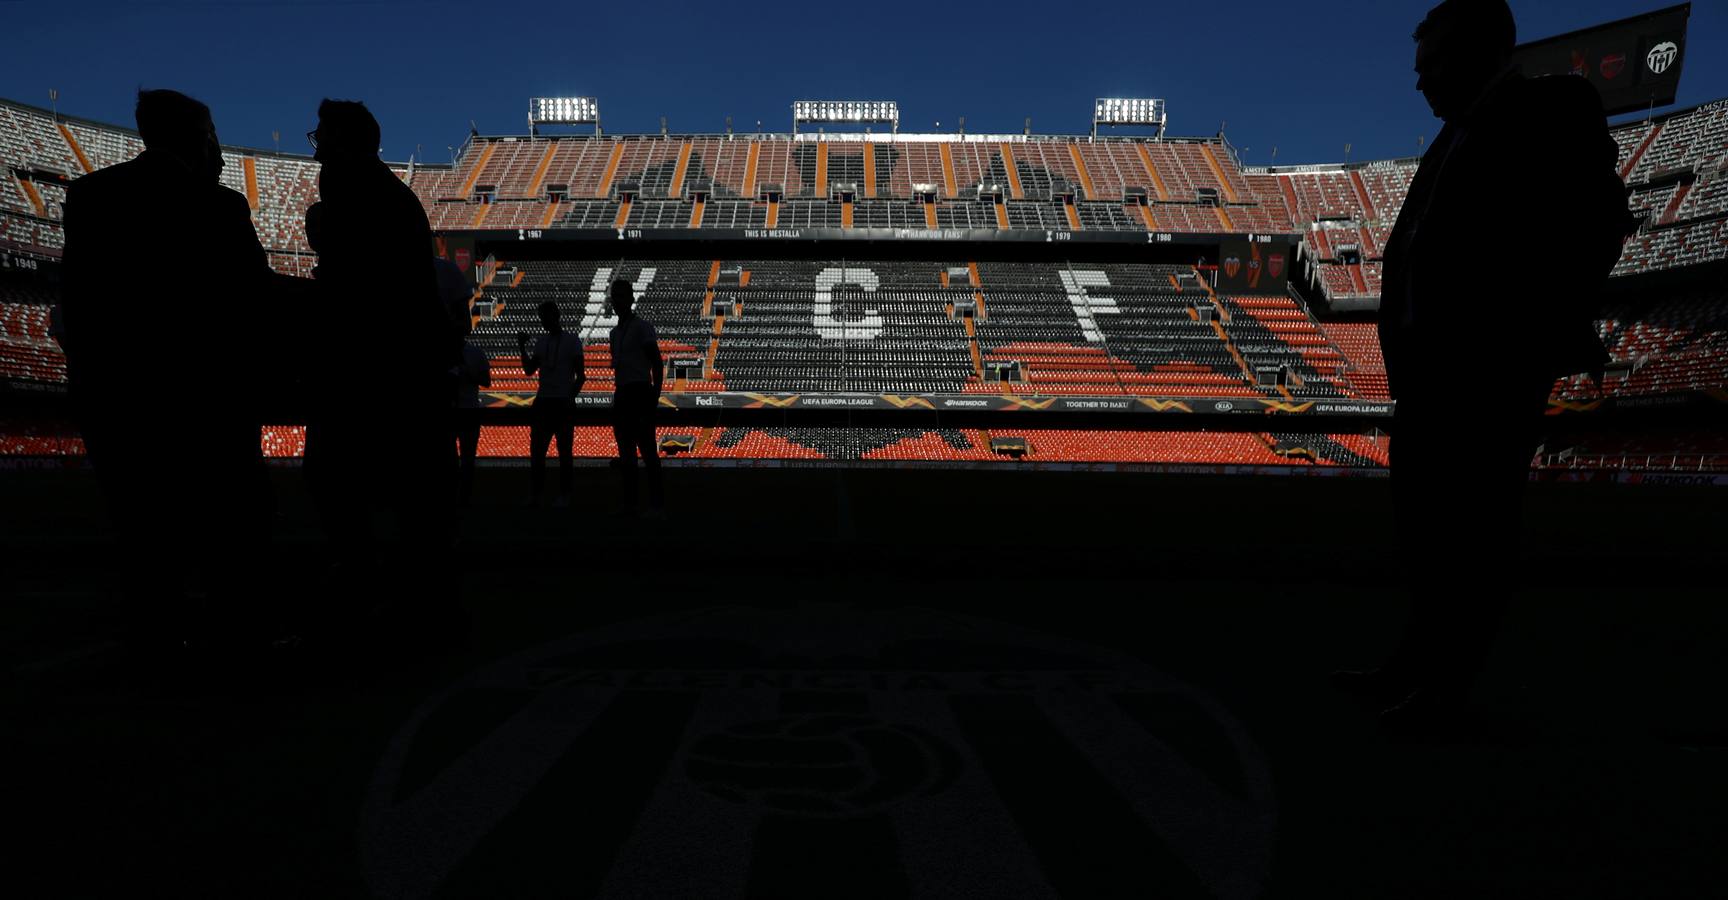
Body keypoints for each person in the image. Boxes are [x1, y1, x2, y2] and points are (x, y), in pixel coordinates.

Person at [1336, 0, 1634, 730]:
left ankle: (1445, 688)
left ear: (1480, 52)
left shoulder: (1550, 108)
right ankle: (1417, 663)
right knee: (1428, 531)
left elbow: (1598, 223)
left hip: (1488, 369)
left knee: (1472, 532)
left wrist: (1528, 327)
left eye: (1432, 65)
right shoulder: (1452, 137)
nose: (1420, 84)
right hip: (1432, 375)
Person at [58, 89, 279, 648]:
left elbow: (79, 302)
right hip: (204, 399)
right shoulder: (218, 204)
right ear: (198, 136)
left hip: (116, 396)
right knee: (226, 533)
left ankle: (157, 645)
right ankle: (234, 644)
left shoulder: (89, 196)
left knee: (142, 533)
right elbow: (253, 300)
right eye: (211, 135)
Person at [303, 99, 462, 623]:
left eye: (322, 136)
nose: (317, 145)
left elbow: (354, 283)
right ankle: (409, 590)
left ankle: (381, 590)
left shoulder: (352, 187)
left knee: (348, 480)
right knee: (407, 491)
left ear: (345, 141)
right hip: (405, 360)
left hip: (379, 364)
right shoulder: (388, 192)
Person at [607, 278, 664, 514]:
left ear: (631, 298)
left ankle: (656, 504)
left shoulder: (642, 327)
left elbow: (657, 365)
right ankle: (630, 504)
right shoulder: (613, 333)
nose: (617, 300)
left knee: (648, 452)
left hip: (640, 392)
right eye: (614, 296)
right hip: (622, 394)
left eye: (622, 295)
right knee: (626, 454)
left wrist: (653, 399)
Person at [517, 300, 582, 507]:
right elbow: (529, 371)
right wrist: (521, 347)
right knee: (537, 452)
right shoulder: (541, 342)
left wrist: (569, 397)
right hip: (544, 401)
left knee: (563, 452)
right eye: (542, 316)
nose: (544, 320)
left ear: (556, 315)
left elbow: (581, 376)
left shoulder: (572, 341)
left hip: (558, 402)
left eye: (546, 315)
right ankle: (538, 494)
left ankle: (563, 494)